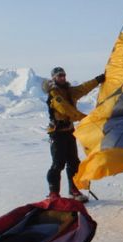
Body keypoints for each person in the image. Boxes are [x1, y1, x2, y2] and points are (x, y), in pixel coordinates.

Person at [42, 66, 105, 202]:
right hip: (57, 134)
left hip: (69, 132)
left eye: (64, 75)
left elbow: (83, 88)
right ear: (54, 78)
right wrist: (86, 118)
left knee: (73, 162)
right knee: (58, 164)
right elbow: (66, 109)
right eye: (59, 76)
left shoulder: (70, 91)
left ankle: (74, 190)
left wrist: (97, 80)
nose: (62, 77)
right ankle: (53, 194)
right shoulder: (54, 94)